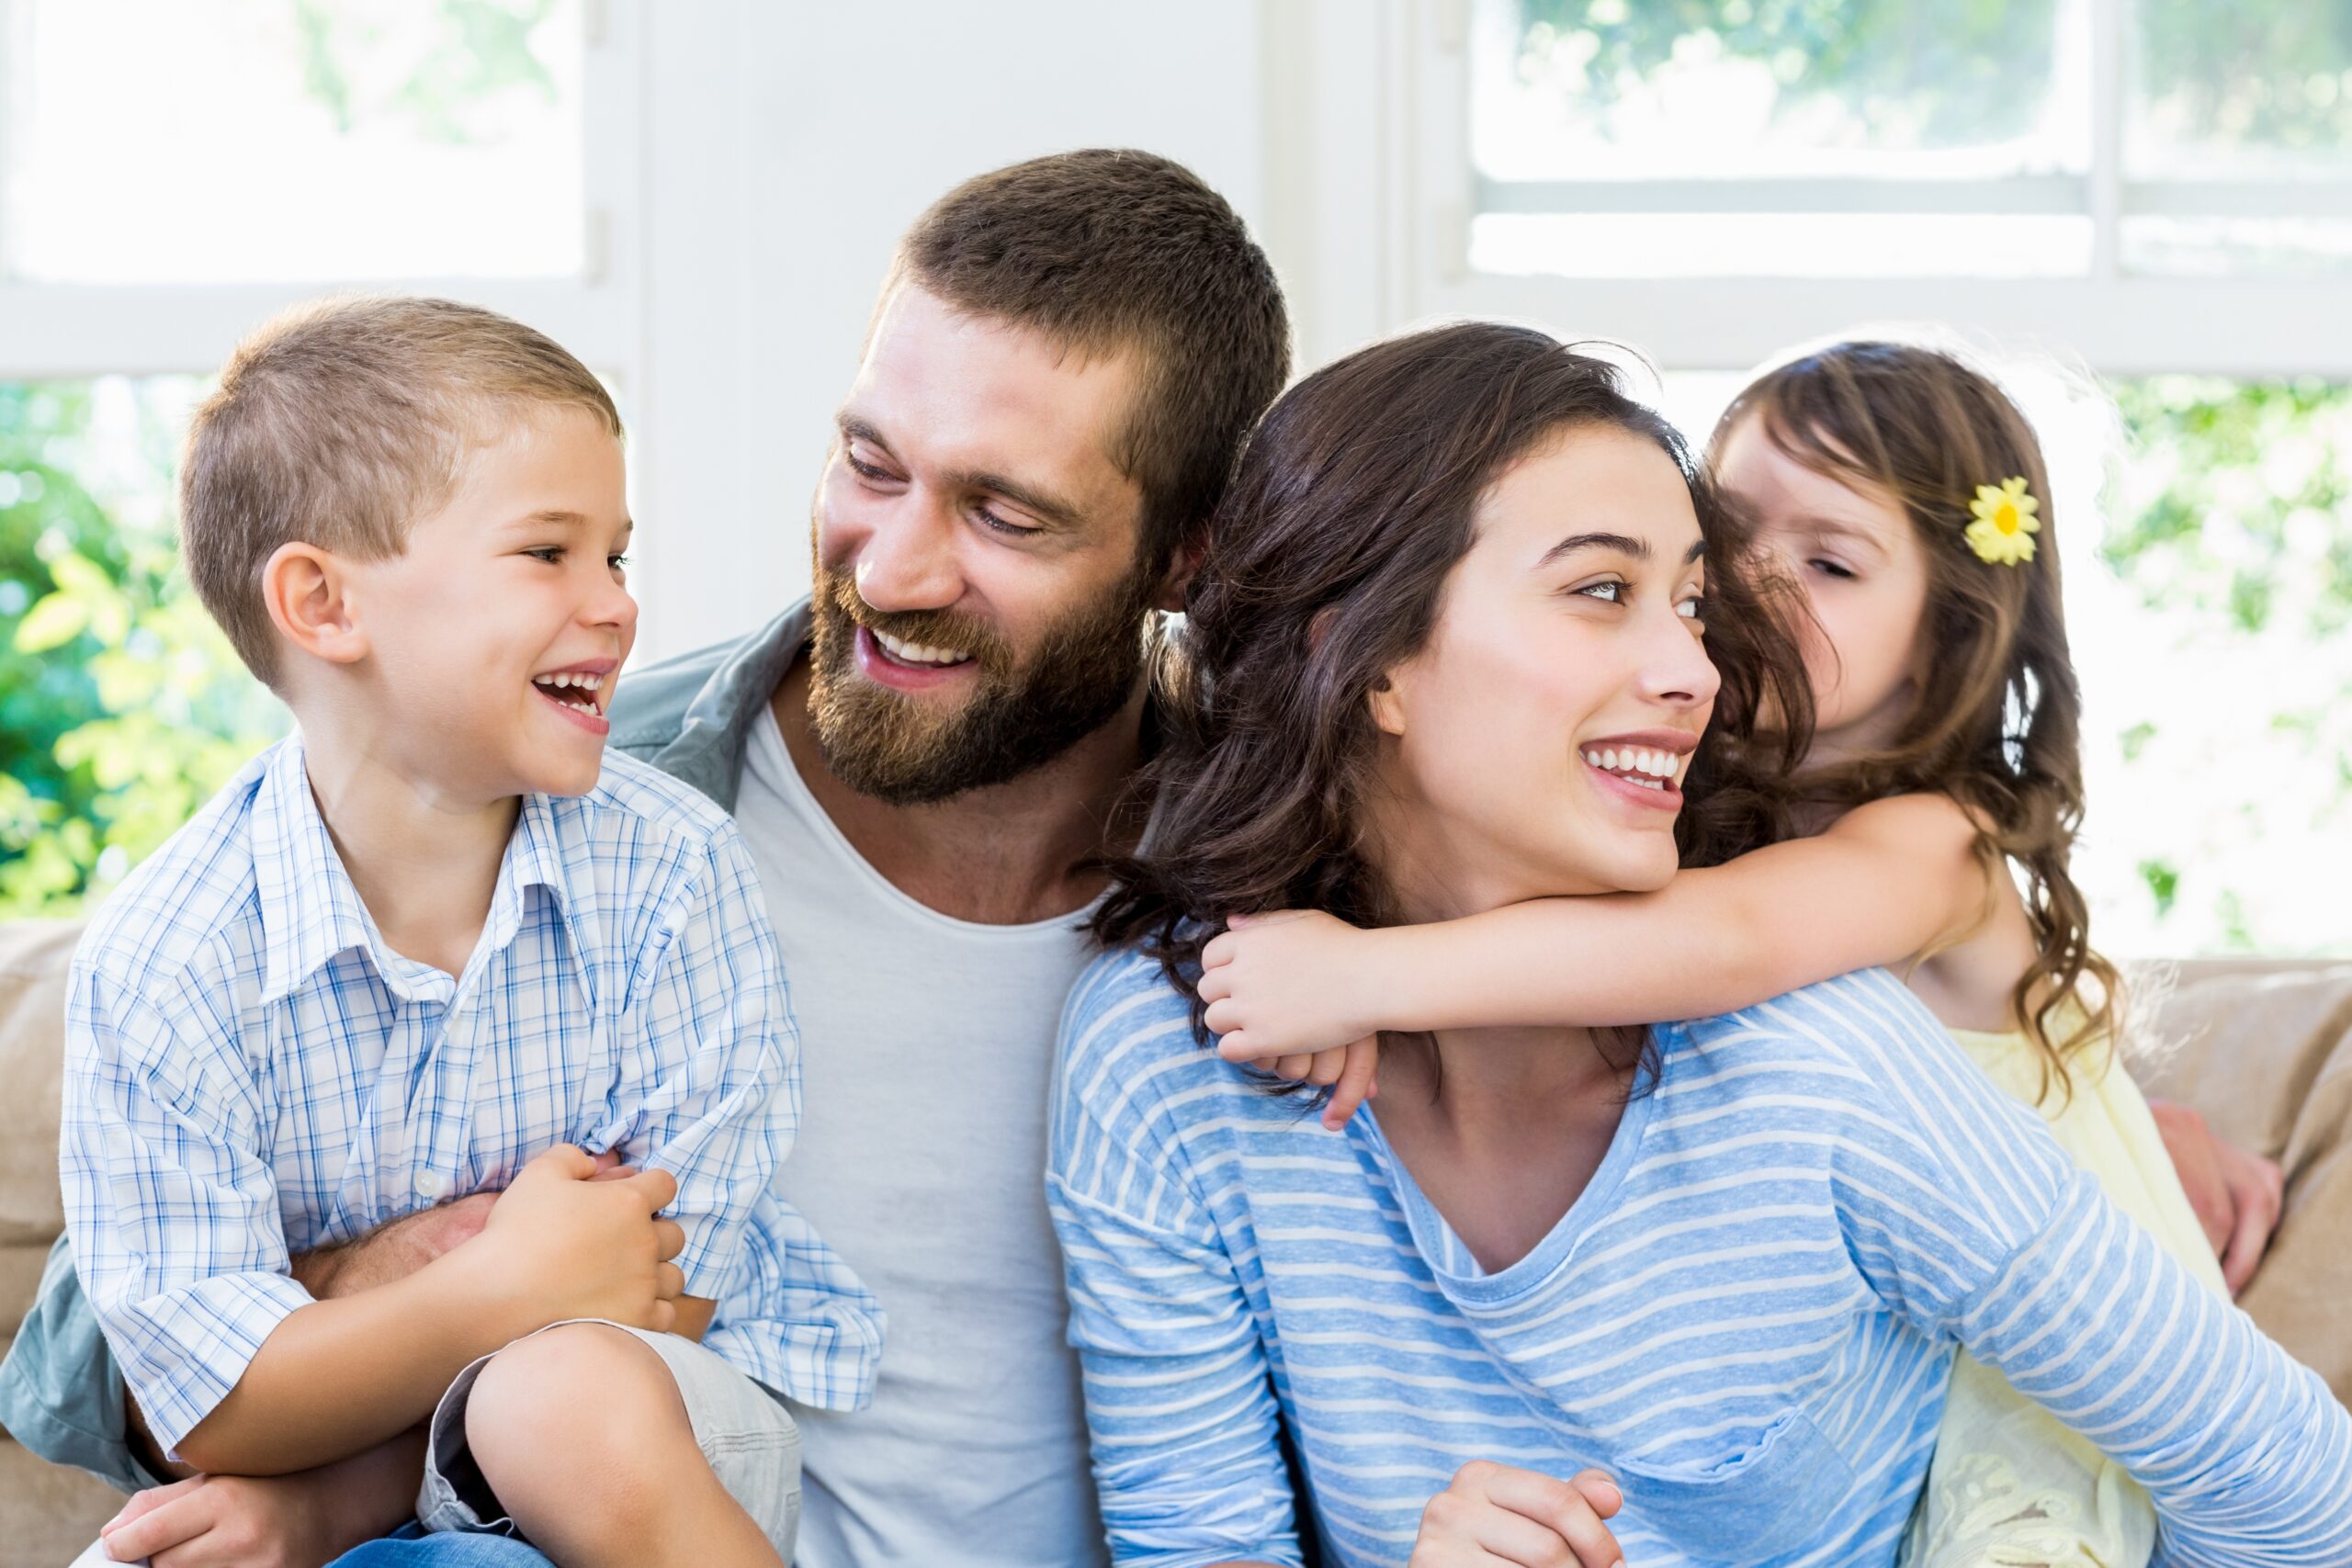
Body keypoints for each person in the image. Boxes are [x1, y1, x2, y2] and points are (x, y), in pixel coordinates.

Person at [1, 149, 1292, 1568]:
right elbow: (83, 1360)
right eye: (868, 464)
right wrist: (394, 1281)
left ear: (1187, 556)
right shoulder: (574, 780)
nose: (894, 571)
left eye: (1005, 515)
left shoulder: (1303, 894)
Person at [1053, 321, 2352, 1566]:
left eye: (1684, 597)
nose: (1704, 664)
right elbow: (1201, 1537)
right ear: (1370, 657)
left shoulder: (1825, 1041)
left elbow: (2303, 1495)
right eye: (1605, 590)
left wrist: (1363, 977)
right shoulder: (1165, 1052)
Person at [33, 298, 880, 1568]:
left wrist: (329, 1489)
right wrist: (494, 1292)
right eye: (549, 553)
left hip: (659, 1425)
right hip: (363, 1464)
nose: (614, 607)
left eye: (619, 558)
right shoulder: (169, 965)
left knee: (557, 1397)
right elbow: (207, 1399)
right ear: (324, 604)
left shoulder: (674, 872)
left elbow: (671, 1291)